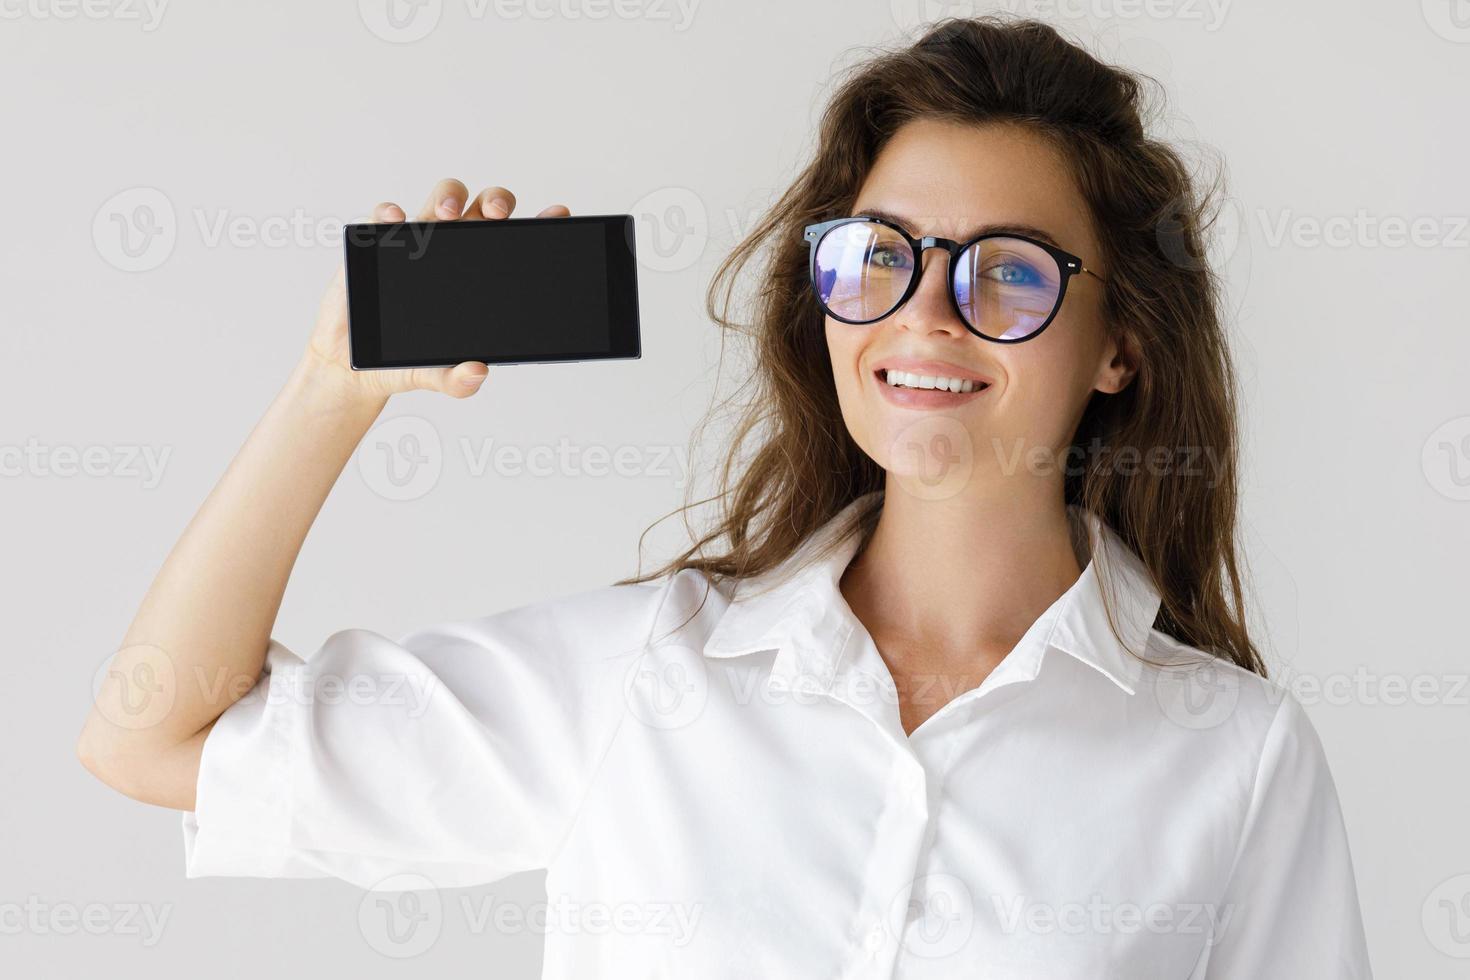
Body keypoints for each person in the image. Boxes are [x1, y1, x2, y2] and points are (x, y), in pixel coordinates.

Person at [77, 15, 1373, 978]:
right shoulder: (641, 680)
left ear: (1117, 342)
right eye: (878, 258)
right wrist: (329, 389)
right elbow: (154, 741)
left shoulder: (1233, 760)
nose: (924, 317)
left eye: (1007, 273)